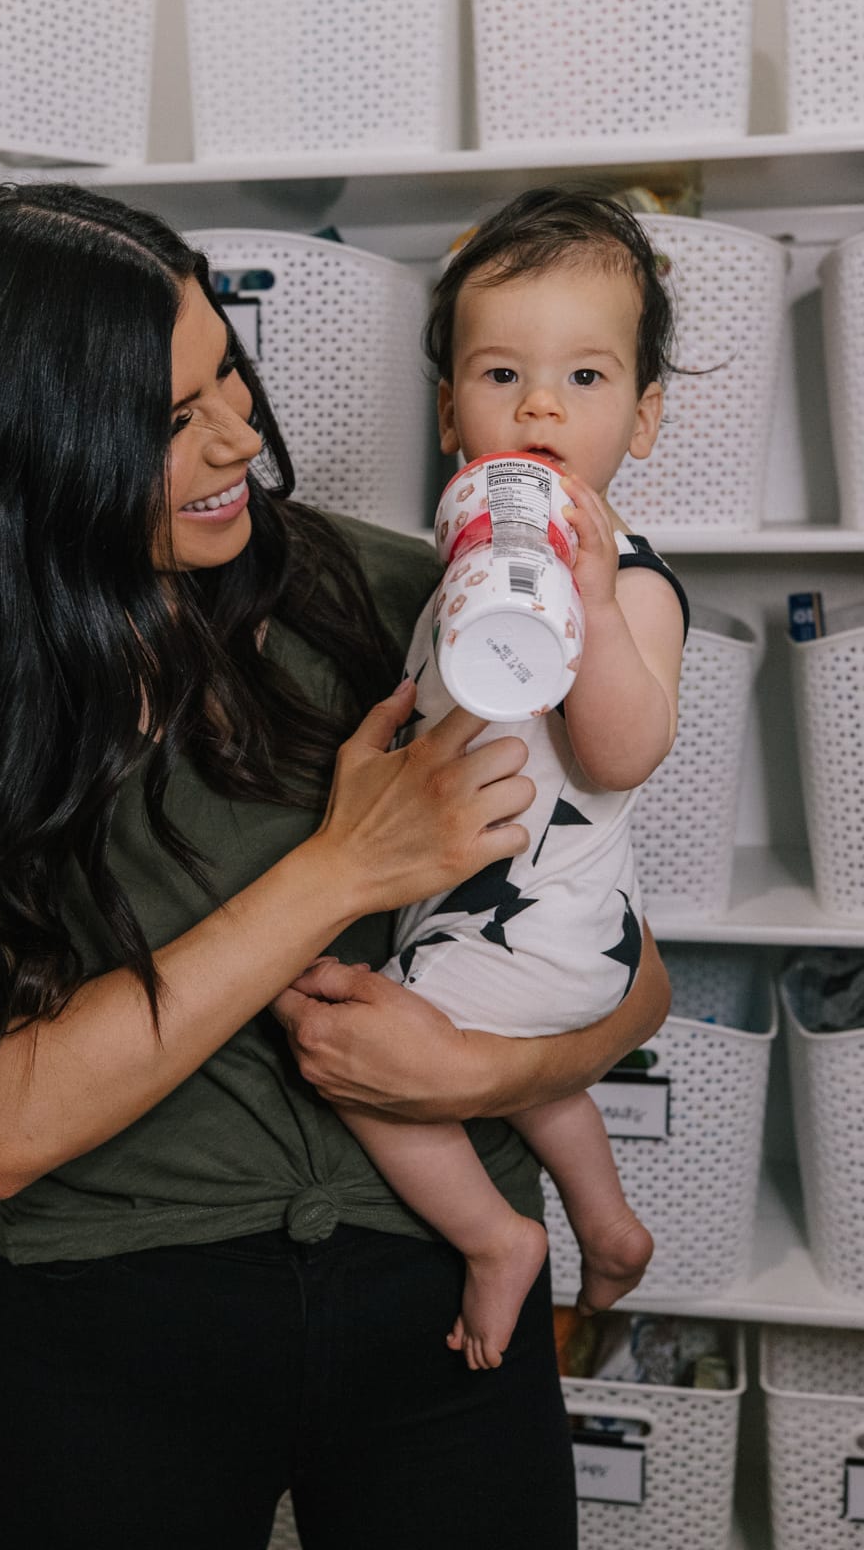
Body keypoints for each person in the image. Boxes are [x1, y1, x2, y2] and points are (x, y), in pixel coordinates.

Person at [0, 181, 670, 1550]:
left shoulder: (399, 599)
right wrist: (338, 871)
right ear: (23, 447)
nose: (242, 439)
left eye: (231, 380)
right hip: (116, 1342)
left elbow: (630, 979)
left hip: (442, 1313)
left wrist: (488, 1076)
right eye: (170, 419)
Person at [293, 188, 687, 1374]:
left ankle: (497, 1238)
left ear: (645, 417)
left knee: (345, 1046)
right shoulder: (456, 569)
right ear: (452, 413)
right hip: (480, 911)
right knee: (511, 1063)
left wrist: (600, 603)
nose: (541, 406)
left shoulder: (639, 588)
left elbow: (621, 754)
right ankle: (609, 1222)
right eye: (501, 374)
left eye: (586, 379)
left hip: (554, 925)